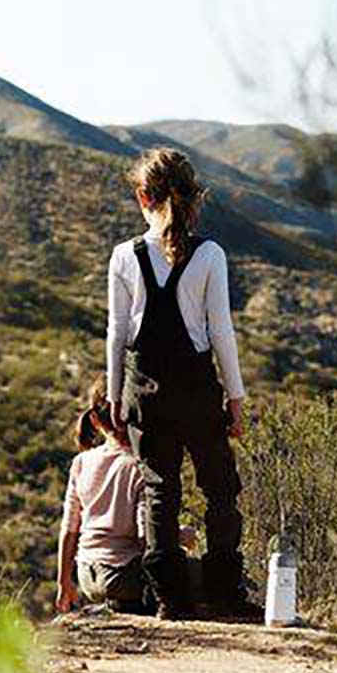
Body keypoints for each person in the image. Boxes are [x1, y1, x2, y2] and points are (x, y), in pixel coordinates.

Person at [106, 147, 256, 620]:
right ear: (193, 200)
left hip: (145, 391)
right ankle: (224, 592)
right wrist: (236, 397)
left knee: (159, 491)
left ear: (141, 196)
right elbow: (221, 332)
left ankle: (169, 598)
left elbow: (117, 332)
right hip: (197, 391)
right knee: (219, 489)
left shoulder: (124, 256)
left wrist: (113, 396)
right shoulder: (210, 254)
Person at [55, 376, 150, 614]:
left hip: (87, 576)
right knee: (201, 572)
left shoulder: (81, 462)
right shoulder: (140, 466)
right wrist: (180, 536)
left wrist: (64, 584)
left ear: (95, 420)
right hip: (125, 575)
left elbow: (69, 530)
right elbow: (145, 537)